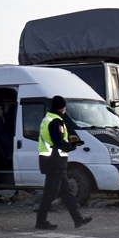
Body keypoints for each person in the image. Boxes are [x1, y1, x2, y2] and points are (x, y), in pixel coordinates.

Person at [36, 96, 92, 230]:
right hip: (54, 162)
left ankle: (78, 219)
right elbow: (58, 142)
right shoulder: (56, 121)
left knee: (67, 193)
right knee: (50, 193)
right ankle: (40, 221)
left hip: (53, 162)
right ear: (62, 107)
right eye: (64, 106)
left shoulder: (48, 118)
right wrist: (73, 146)